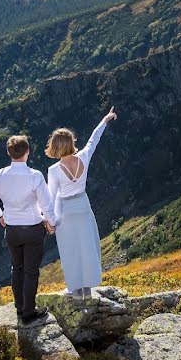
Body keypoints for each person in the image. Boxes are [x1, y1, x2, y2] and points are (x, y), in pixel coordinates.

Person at [45, 107, 118, 298]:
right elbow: (94, 139)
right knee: (87, 247)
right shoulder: (84, 157)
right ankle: (87, 289)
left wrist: (49, 222)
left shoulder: (53, 170)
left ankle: (77, 292)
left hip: (65, 212)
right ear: (71, 143)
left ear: (55, 146)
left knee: (71, 252)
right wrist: (105, 120)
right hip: (83, 207)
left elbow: (50, 199)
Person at [0, 134, 56, 325]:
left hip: (12, 230)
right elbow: (46, 204)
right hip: (33, 229)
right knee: (31, 271)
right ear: (28, 152)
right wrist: (51, 222)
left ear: (9, 153)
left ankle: (19, 307)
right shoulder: (35, 176)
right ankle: (29, 312)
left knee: (17, 268)